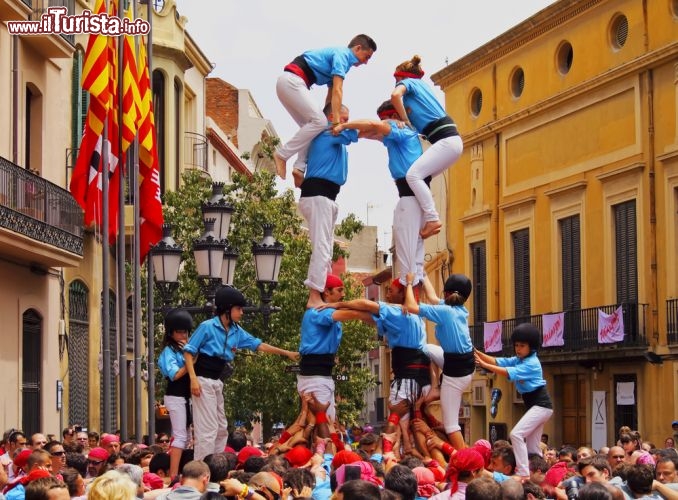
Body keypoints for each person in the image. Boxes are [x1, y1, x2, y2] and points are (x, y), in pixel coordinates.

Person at [183, 286, 299, 461]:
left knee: (222, 428)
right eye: (238, 308)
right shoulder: (207, 327)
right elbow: (188, 351)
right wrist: (193, 379)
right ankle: (201, 468)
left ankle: (215, 464)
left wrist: (287, 353)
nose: (242, 312)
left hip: (217, 381)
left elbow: (259, 345)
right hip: (202, 380)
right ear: (227, 309)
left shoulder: (237, 331)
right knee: (207, 430)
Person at [318, 277, 430, 454]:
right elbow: (366, 316)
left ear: (402, 294)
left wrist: (338, 306)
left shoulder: (398, 312)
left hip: (408, 377)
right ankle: (408, 451)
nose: (386, 294)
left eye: (390, 291)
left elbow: (366, 305)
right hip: (416, 376)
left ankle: (383, 455)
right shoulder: (413, 316)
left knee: (396, 418)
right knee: (410, 423)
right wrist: (349, 311)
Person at [332, 100, 425, 287]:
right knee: (411, 252)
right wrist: (350, 134)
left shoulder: (401, 131)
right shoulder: (397, 134)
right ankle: (413, 292)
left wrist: (343, 125)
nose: (384, 123)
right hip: (408, 195)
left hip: (411, 196)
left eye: (386, 120)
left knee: (408, 253)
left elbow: (374, 126)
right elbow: (370, 132)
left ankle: (410, 295)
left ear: (393, 117)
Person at [273, 34, 377, 184]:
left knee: (313, 127)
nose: (365, 62)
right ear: (358, 48)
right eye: (366, 57)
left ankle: (299, 168)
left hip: (289, 84)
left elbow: (330, 97)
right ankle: (282, 155)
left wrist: (329, 122)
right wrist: (335, 123)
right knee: (319, 122)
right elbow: (338, 91)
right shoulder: (342, 55)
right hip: (292, 82)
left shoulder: (343, 62)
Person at [390, 55, 464, 239]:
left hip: (446, 141)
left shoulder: (409, 83)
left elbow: (395, 96)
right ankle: (425, 218)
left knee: (412, 176)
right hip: (451, 141)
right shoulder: (423, 90)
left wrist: (405, 121)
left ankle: (432, 218)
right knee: (421, 178)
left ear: (400, 77)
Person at [404, 272, 474, 453]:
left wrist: (410, 283)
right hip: (461, 364)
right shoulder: (457, 309)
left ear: (447, 293)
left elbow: (411, 306)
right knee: (427, 349)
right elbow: (433, 297)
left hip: (455, 374)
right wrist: (422, 272)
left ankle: (465, 460)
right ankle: (436, 386)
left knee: (451, 425)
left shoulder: (445, 312)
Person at [475, 323, 554, 479]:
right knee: (532, 448)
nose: (518, 349)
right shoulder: (520, 359)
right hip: (537, 407)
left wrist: (484, 365)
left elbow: (506, 372)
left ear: (531, 347)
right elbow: (498, 361)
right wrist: (478, 353)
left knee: (516, 434)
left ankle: (524, 472)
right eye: (516, 345)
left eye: (522, 345)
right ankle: (541, 473)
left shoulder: (531, 363)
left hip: (541, 406)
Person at [298, 104, 359, 308]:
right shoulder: (328, 134)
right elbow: (355, 132)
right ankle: (314, 296)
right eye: (344, 118)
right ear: (332, 118)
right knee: (322, 248)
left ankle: (323, 290)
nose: (347, 122)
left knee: (327, 250)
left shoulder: (334, 138)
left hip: (327, 197)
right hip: (318, 195)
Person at [299, 274, 372, 424]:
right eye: (340, 290)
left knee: (325, 422)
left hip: (322, 374)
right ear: (327, 291)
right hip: (316, 375)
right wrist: (374, 317)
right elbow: (351, 313)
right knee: (322, 423)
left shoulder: (325, 311)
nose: (343, 294)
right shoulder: (319, 312)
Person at [158, 308, 194, 479]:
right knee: (179, 436)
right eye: (179, 332)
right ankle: (173, 475)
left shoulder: (187, 348)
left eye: (185, 332)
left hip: (187, 397)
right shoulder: (168, 352)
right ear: (171, 333)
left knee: (187, 437)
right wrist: (191, 361)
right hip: (175, 395)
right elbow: (175, 375)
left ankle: (183, 471)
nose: (183, 335)